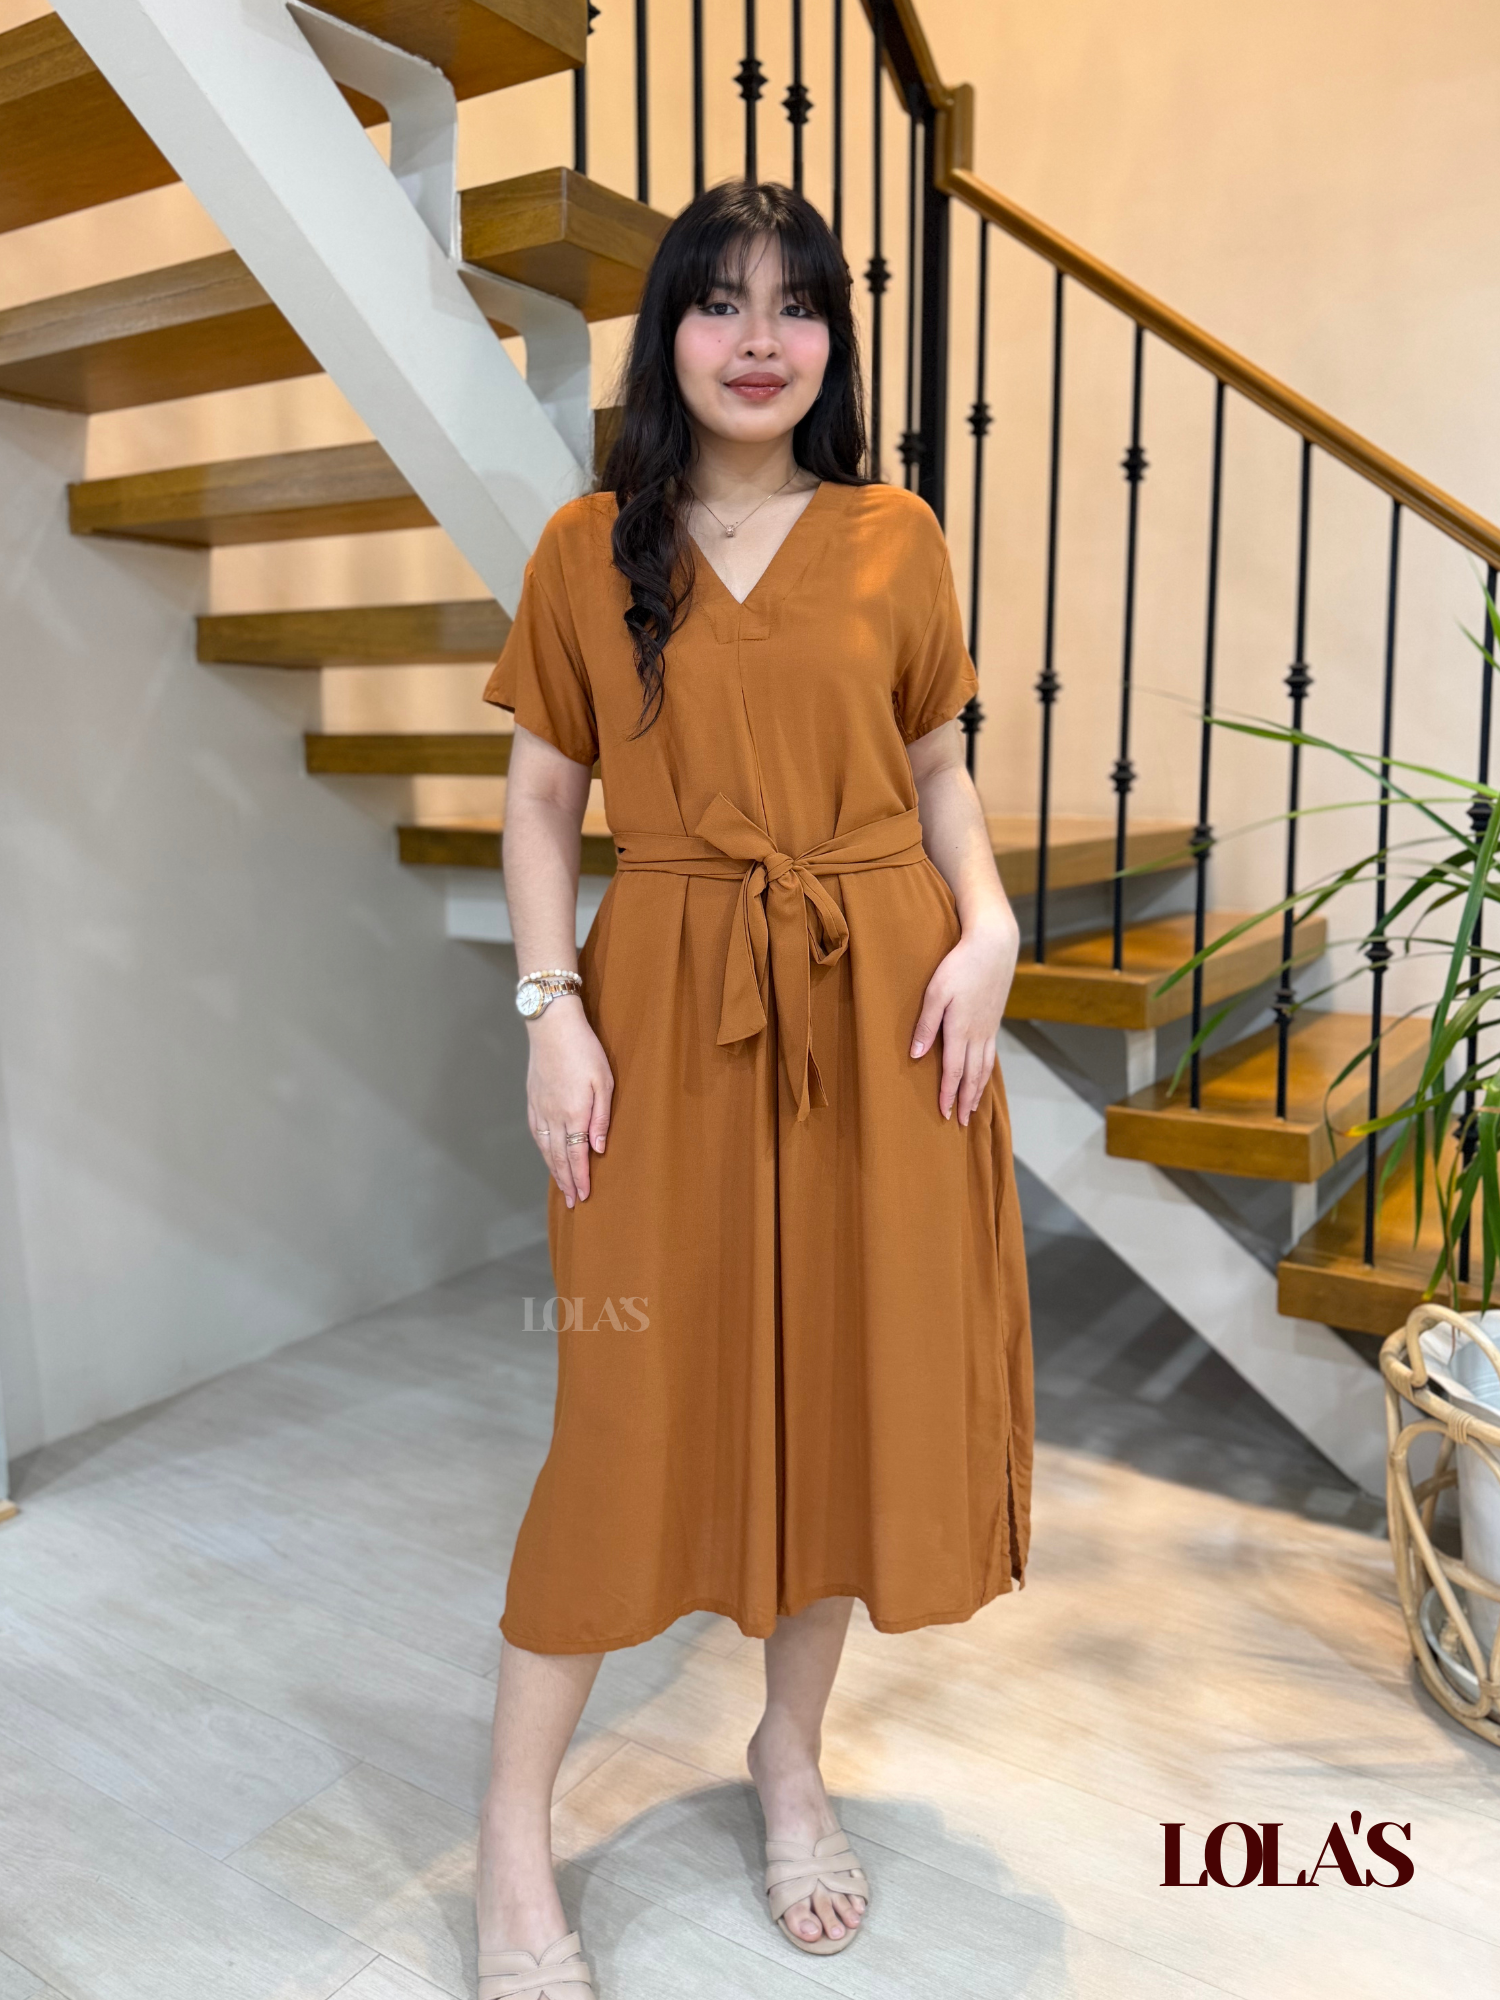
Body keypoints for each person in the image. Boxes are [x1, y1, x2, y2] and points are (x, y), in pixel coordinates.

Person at [472, 179, 1034, 2000]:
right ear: (671, 335)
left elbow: (935, 771)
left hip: (884, 1007)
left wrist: (991, 927)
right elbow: (542, 804)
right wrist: (553, 1012)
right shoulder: (586, 548)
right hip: (665, 1004)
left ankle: (790, 1758)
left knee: (845, 1398)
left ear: (833, 343)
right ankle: (509, 1837)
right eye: (721, 301)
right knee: (621, 1418)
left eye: (798, 304)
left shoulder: (894, 534)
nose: (762, 338)